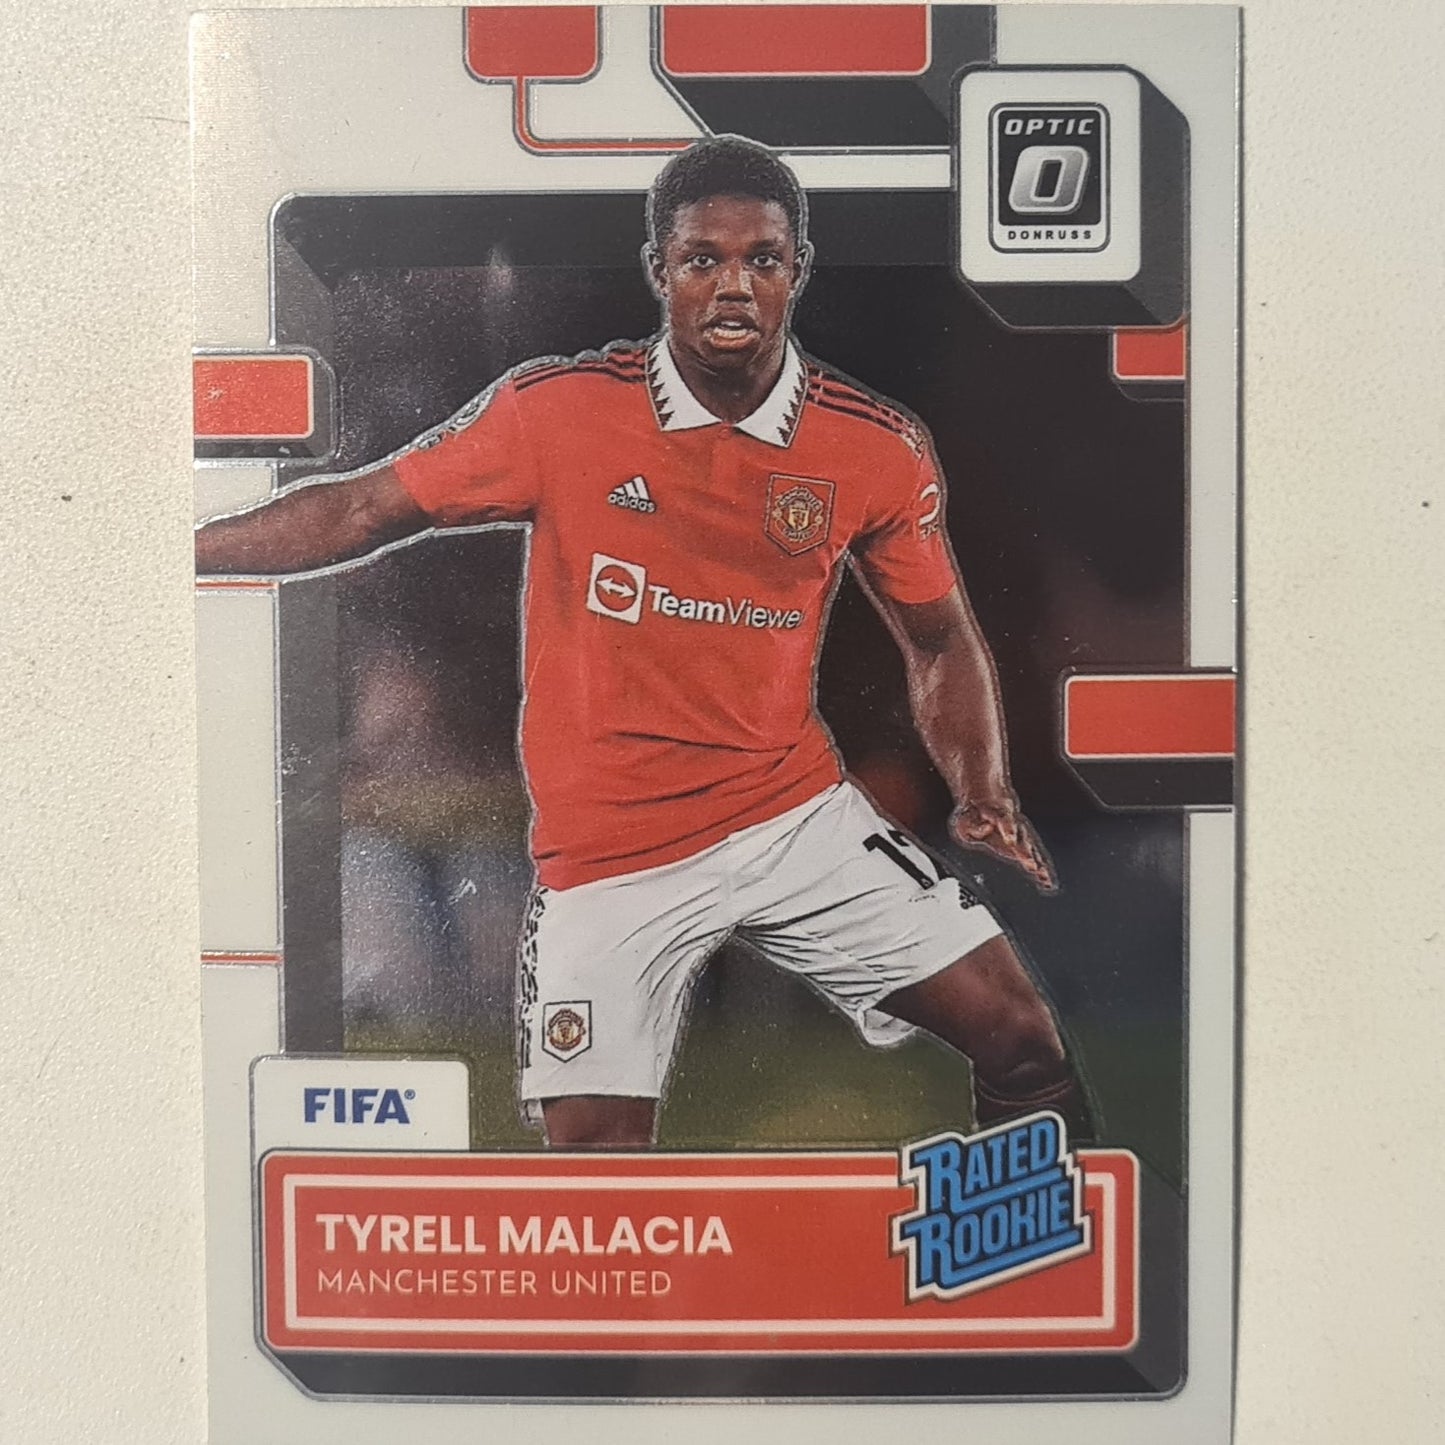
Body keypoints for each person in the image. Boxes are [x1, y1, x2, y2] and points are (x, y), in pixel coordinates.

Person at [197, 135, 1092, 1148]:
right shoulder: (558, 413)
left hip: (789, 816)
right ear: (659, 270)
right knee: (594, 1153)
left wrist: (979, 788)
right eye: (702, 257)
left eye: (760, 258)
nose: (732, 284)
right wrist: (177, 549)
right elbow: (359, 510)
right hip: (609, 854)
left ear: (795, 271)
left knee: (1021, 1037)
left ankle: (1032, 1234)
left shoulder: (872, 447)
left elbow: (938, 637)